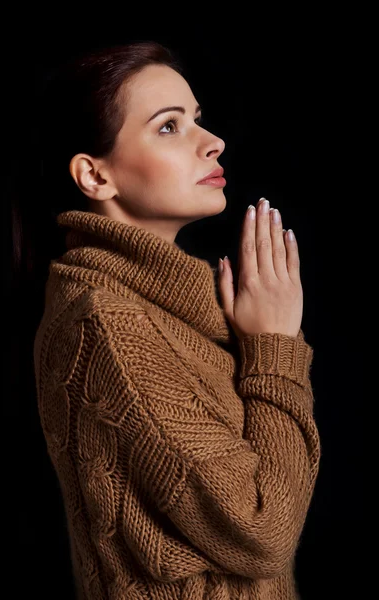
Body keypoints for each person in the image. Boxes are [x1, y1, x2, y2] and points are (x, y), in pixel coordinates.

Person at [28, 41, 320, 599]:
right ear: (94, 177)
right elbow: (261, 530)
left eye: (198, 121)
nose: (213, 143)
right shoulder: (106, 326)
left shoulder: (171, 309)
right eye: (169, 127)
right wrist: (274, 348)